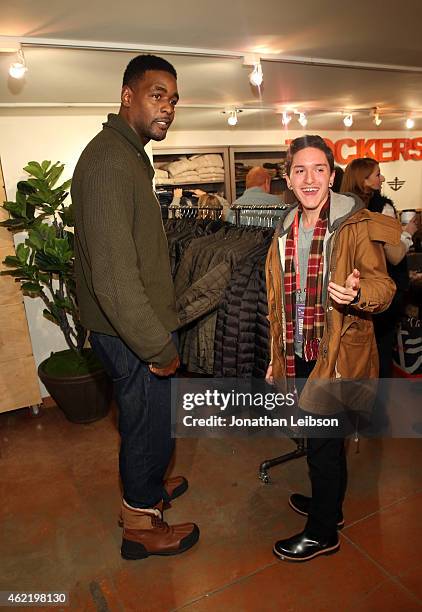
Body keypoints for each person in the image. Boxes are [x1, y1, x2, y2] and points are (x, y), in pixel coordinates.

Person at [72, 54, 199, 561]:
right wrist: (156, 344)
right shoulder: (108, 161)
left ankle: (149, 486)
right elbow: (114, 278)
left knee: (151, 422)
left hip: (136, 325)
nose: (167, 107)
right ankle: (141, 524)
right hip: (131, 332)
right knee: (146, 426)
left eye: (173, 99)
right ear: (127, 95)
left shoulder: (126, 157)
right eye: (156, 94)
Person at [265, 135, 399, 562]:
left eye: (319, 169)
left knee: (323, 443)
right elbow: (275, 302)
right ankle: (330, 505)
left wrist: (358, 293)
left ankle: (323, 532)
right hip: (299, 349)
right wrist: (275, 354)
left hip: (340, 353)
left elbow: (384, 286)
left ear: (333, 176)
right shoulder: (284, 228)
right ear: (288, 177)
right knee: (322, 439)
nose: (309, 178)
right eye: (300, 170)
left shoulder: (353, 225)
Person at [341, 158, 418, 377]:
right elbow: (394, 256)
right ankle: (376, 403)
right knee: (381, 351)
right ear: (364, 180)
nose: (382, 178)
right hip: (380, 292)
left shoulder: (342, 207)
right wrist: (408, 232)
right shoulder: (382, 208)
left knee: (356, 353)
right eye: (377, 174)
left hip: (351, 290)